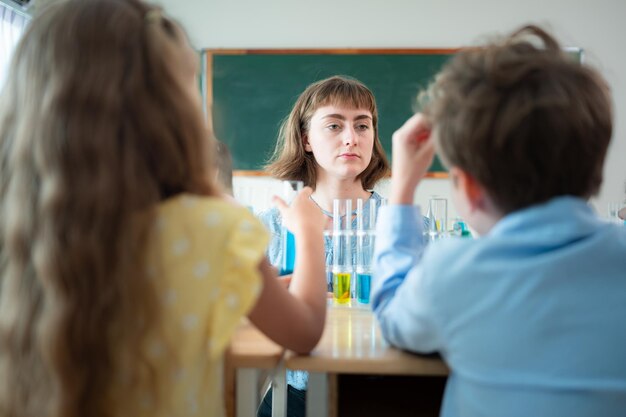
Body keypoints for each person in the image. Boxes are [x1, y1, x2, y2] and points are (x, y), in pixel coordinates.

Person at [0, 1, 327, 417]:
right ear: (170, 113)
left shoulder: (16, 226)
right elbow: (304, 330)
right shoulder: (214, 228)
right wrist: (308, 230)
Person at [372, 25, 626, 417]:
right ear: (595, 164)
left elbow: (392, 312)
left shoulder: (452, 272)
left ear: (470, 188)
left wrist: (403, 188)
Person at [257, 75, 390, 416]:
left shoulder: (401, 226)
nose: (351, 138)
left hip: (381, 395)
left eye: (363, 126)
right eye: (334, 126)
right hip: (293, 397)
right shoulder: (269, 226)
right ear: (306, 140)